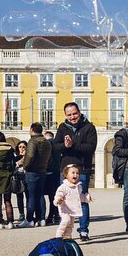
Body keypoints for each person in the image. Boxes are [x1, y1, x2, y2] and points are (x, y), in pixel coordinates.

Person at [53, 102, 97, 241]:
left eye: (74, 113)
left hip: (82, 169)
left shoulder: (89, 127)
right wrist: (65, 146)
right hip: (66, 170)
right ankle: (65, 229)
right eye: (69, 114)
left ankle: (83, 230)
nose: (72, 117)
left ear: (79, 112)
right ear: (66, 115)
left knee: (82, 199)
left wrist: (73, 145)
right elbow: (56, 147)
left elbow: (91, 147)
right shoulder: (62, 127)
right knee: (65, 199)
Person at [19, 123, 52, 228]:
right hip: (42, 170)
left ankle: (29, 219)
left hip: (32, 171)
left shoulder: (32, 141)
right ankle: (41, 218)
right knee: (41, 195)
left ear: (32, 130)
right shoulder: (47, 142)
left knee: (31, 196)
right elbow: (49, 157)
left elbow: (30, 156)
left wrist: (25, 167)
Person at [54, 164, 91, 239]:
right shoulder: (64, 186)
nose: (75, 175)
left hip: (72, 210)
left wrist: (86, 198)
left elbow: (80, 197)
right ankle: (58, 236)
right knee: (66, 220)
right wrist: (58, 200)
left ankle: (67, 237)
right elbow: (58, 195)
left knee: (70, 225)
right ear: (66, 175)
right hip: (64, 209)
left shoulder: (79, 187)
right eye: (73, 173)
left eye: (77, 173)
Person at [43, 130, 60, 226]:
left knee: (50, 196)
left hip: (49, 172)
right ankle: (56, 215)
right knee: (56, 195)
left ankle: (49, 217)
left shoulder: (47, 144)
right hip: (58, 172)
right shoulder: (57, 144)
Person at [14, 140, 28, 222]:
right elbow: (13, 166)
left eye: (23, 147)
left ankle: (29, 213)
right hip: (18, 176)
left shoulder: (29, 156)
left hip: (26, 176)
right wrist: (18, 162)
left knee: (28, 196)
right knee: (19, 196)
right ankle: (21, 214)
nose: (21, 149)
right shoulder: (15, 157)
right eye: (20, 147)